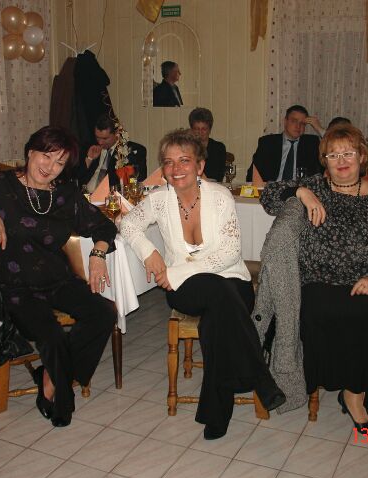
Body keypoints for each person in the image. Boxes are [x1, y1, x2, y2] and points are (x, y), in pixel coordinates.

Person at [0, 126, 117, 428]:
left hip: (57, 279)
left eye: (59, 163)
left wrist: (98, 254)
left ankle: (51, 375)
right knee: (52, 335)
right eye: (46, 156)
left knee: (104, 312)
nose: (50, 167)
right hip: (14, 287)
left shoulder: (65, 195)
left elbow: (104, 226)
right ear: (30, 152)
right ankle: (60, 396)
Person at [120, 129, 285, 440]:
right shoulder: (158, 200)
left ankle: (216, 412)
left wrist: (176, 272)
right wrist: (149, 253)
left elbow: (230, 253)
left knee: (215, 320)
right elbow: (127, 223)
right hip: (188, 291)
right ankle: (261, 378)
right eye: (168, 162)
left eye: (184, 160)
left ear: (200, 165)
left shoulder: (220, 197)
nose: (176, 168)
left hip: (230, 279)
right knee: (219, 295)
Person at [260, 124, 368, 437]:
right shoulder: (315, 185)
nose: (341, 161)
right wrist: (301, 193)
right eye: (333, 155)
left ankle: (355, 392)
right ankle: (348, 388)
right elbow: (268, 195)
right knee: (318, 308)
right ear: (324, 160)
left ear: (362, 156)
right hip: (320, 279)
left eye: (348, 153)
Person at [246, 105, 323, 184]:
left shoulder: (311, 143)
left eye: (302, 123)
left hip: (299, 189)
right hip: (272, 188)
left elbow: (329, 154)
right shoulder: (268, 143)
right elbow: (252, 175)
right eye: (294, 121)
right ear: (285, 121)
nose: (298, 126)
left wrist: (319, 129)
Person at [77, 114, 147, 192]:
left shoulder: (132, 151)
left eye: (105, 138)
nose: (100, 142)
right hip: (85, 196)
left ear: (116, 133)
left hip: (112, 196)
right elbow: (76, 177)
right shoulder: (90, 147)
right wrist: (89, 159)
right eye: (97, 137)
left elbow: (137, 180)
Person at [189, 107, 227, 182]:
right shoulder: (186, 148)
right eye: (197, 129)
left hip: (212, 185)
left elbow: (218, 176)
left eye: (204, 129)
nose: (200, 132)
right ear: (191, 130)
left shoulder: (219, 148)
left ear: (209, 130)